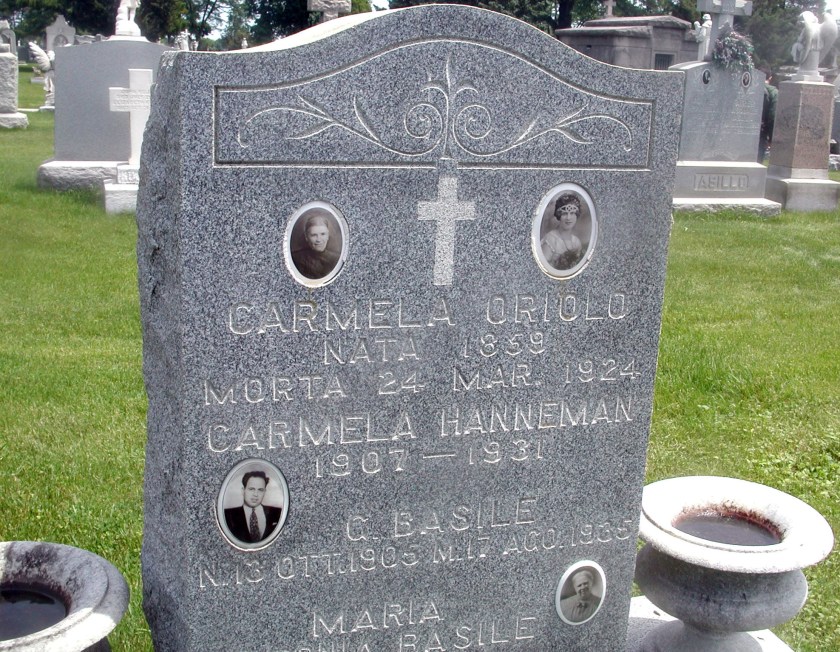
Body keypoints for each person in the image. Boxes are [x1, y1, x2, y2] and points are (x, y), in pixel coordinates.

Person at [224, 470, 283, 544]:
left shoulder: (278, 513)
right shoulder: (227, 515)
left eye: (260, 490)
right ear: (243, 490)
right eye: (251, 489)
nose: (256, 494)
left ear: (264, 492)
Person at [540, 194, 584, 271]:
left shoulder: (576, 241)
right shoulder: (550, 239)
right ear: (559, 216)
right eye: (564, 213)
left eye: (572, 213)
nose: (568, 218)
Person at [291, 213, 340, 279]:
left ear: (328, 236)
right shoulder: (296, 259)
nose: (319, 240)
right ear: (306, 237)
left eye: (323, 234)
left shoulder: (336, 258)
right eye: (314, 235)